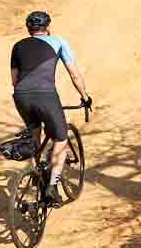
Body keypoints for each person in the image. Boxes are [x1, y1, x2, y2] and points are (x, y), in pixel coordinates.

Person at [10, 10, 90, 203]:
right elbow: (74, 74)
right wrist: (85, 96)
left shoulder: (17, 46)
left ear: (28, 29)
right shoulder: (58, 42)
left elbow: (14, 80)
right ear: (47, 27)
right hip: (45, 96)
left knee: (34, 137)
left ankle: (36, 175)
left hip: (21, 96)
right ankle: (52, 187)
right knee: (61, 140)